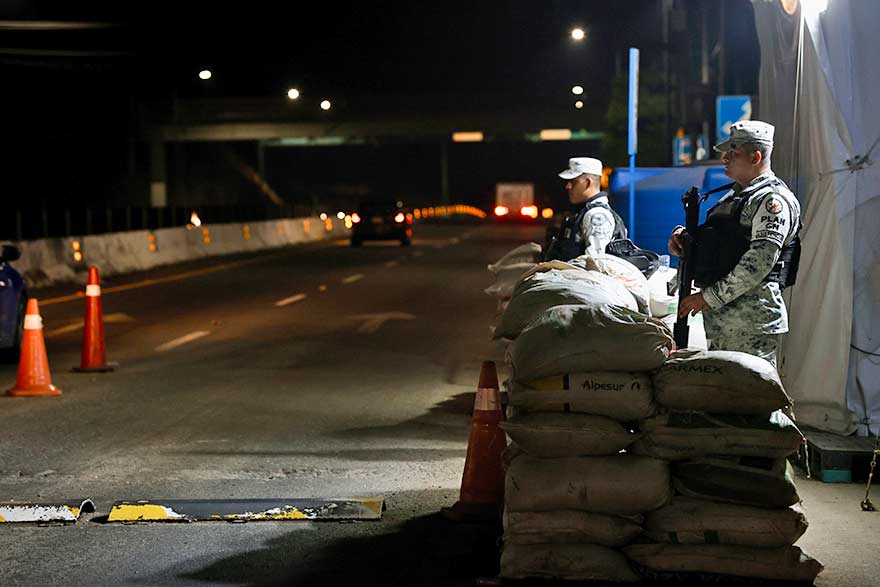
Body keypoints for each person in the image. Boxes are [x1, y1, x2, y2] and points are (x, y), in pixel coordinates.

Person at [668, 120, 801, 367]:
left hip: (750, 322)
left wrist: (709, 298)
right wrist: (685, 238)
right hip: (725, 320)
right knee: (726, 397)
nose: (725, 158)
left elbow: (758, 262)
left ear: (756, 156)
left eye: (734, 152)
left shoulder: (772, 201)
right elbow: (723, 239)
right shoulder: (736, 196)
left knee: (751, 397)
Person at [543, 157, 627, 262]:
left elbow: (594, 263)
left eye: (573, 182)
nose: (568, 186)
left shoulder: (597, 215)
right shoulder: (583, 212)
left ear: (587, 183)